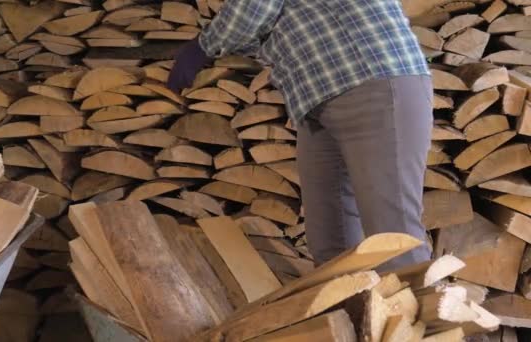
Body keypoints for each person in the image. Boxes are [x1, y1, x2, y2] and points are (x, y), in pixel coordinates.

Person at [167, 0, 433, 270]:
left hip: (374, 78)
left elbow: (253, 10)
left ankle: (419, 309)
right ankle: (343, 310)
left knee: (393, 234)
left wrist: (202, 46)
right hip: (316, 101)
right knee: (331, 243)